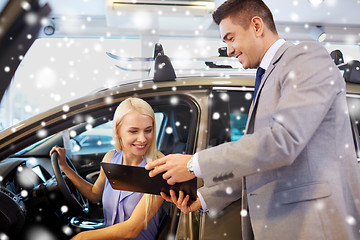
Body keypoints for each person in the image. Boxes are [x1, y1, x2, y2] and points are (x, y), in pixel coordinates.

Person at [145, 0, 360, 239]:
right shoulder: (267, 76)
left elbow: (282, 142)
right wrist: (205, 197)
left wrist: (192, 164)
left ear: (257, 26)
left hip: (312, 227)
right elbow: (263, 162)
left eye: (230, 38)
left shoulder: (306, 57)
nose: (228, 49)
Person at [50, 97, 164, 240]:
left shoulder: (158, 169)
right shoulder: (111, 158)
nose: (142, 139)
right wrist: (65, 168)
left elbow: (132, 230)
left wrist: (81, 237)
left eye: (148, 130)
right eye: (134, 131)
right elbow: (94, 194)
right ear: (118, 131)